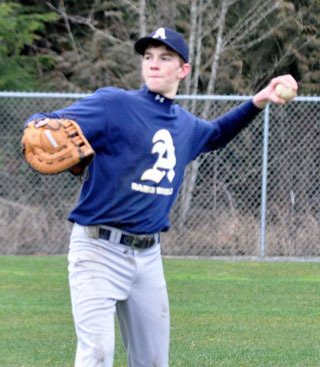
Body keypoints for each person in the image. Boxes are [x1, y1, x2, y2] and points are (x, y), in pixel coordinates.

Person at [25, 27, 298, 367]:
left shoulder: (185, 125)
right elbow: (46, 122)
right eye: (149, 57)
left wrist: (258, 100)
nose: (154, 64)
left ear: (183, 70)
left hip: (148, 257)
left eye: (165, 58)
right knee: (96, 355)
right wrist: (36, 122)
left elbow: (215, 134)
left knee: (153, 361)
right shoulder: (115, 104)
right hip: (97, 250)